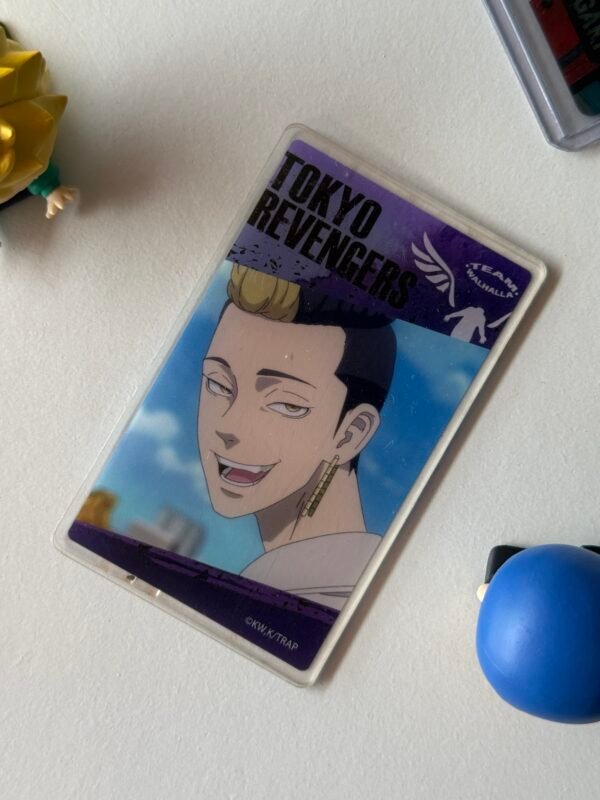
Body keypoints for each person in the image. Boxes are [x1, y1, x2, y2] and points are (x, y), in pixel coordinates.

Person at [197, 264, 397, 610]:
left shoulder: (322, 600)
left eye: (287, 405)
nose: (230, 427)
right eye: (218, 384)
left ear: (350, 434)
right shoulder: (280, 585)